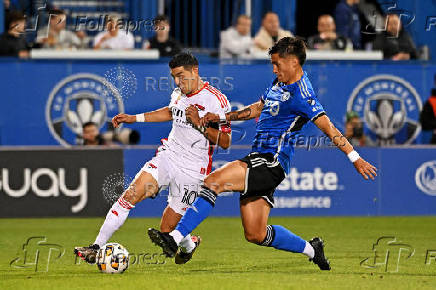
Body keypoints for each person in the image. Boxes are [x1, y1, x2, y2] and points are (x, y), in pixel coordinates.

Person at [148, 37, 377, 269]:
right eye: (272, 64)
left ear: (294, 62)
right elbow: (256, 109)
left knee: (213, 182)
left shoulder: (304, 95)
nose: (274, 68)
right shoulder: (278, 84)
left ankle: (174, 238)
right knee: (255, 233)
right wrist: (220, 117)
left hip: (271, 161)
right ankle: (312, 249)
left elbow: (330, 129)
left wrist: (355, 158)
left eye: (277, 64)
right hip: (261, 160)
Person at [74, 53, 232, 265]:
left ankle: (189, 244)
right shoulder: (178, 93)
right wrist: (134, 118)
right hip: (168, 156)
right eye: (174, 77)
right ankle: (96, 247)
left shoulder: (216, 100)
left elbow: (225, 142)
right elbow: (169, 112)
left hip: (193, 170)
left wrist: (199, 123)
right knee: (130, 195)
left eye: (181, 76)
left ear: (195, 71)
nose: (177, 82)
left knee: (167, 231)